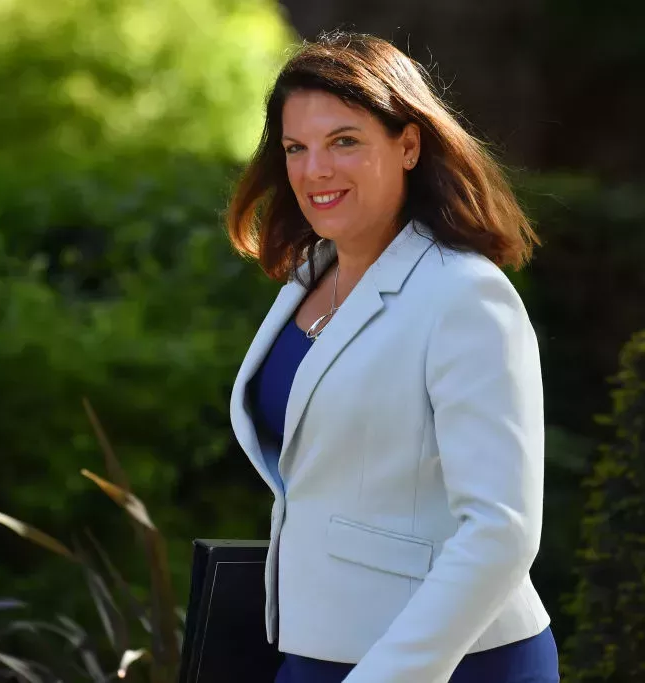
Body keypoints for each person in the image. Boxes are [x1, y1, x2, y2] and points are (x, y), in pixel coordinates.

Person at [225, 30, 558, 683]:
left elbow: (502, 530)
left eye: (344, 141)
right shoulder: (308, 274)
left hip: (447, 663)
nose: (314, 169)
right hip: (316, 647)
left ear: (408, 144)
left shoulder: (465, 294)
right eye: (297, 148)